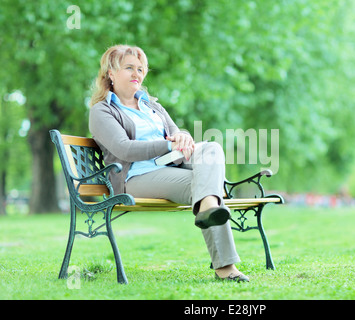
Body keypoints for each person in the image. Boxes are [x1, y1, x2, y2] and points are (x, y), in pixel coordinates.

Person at [89, 44, 249, 282]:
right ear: (110, 73)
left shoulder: (151, 105)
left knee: (212, 150)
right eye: (129, 68)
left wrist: (182, 137)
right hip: (135, 178)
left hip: (169, 167)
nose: (137, 74)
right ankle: (225, 268)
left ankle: (207, 208)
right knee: (209, 189)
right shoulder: (102, 111)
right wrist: (168, 145)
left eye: (141, 69)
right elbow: (124, 148)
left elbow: (176, 135)